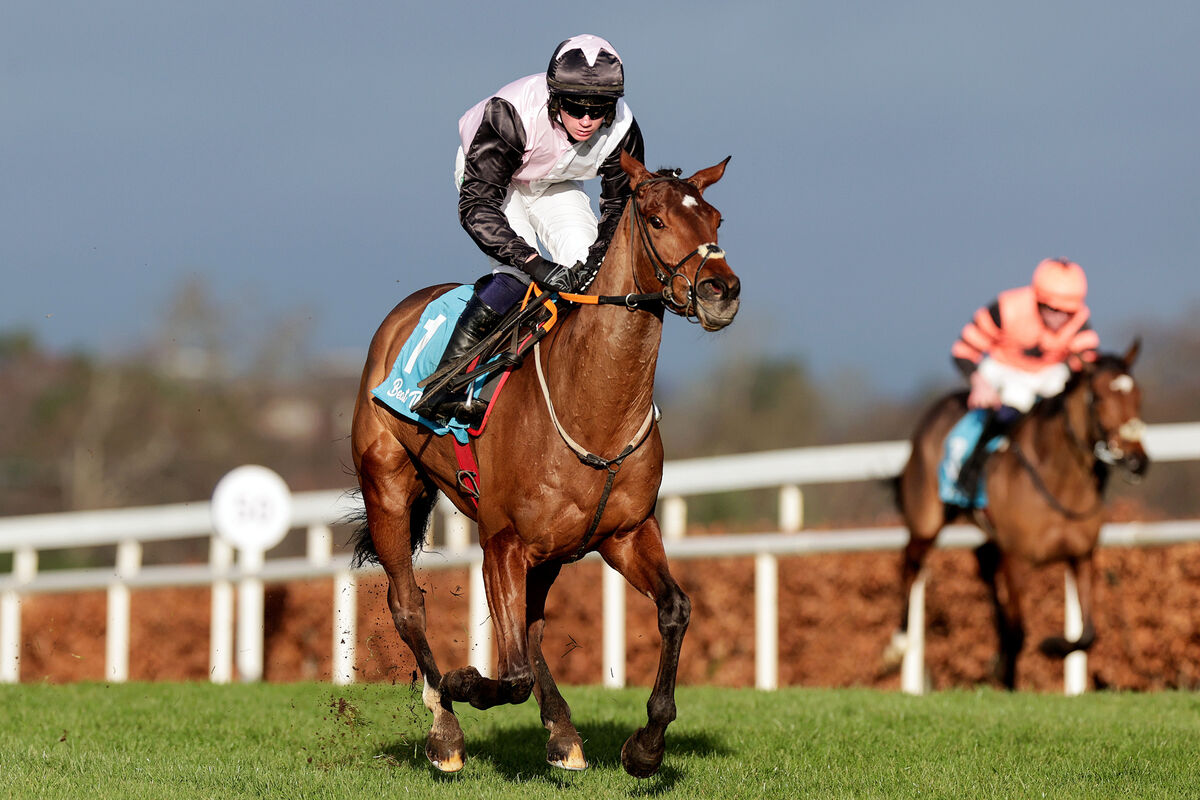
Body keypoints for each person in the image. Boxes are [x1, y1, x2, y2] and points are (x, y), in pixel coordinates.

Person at [412, 34, 645, 426]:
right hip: (493, 184)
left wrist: (593, 259)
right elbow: (477, 208)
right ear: (555, 99)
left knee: (591, 276)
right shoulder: (510, 114)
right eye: (575, 107)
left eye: (599, 109)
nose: (588, 120)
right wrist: (536, 264)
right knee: (517, 276)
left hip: (555, 183)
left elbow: (619, 207)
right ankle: (444, 384)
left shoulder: (623, 128)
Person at [944, 258, 1101, 504]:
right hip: (1004, 370)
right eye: (1051, 308)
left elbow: (1088, 366)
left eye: (1068, 311)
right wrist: (979, 383)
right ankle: (971, 471)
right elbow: (963, 351)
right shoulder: (1006, 308)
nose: (1060, 317)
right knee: (1015, 401)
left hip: (1049, 375)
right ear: (1037, 299)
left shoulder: (1080, 322)